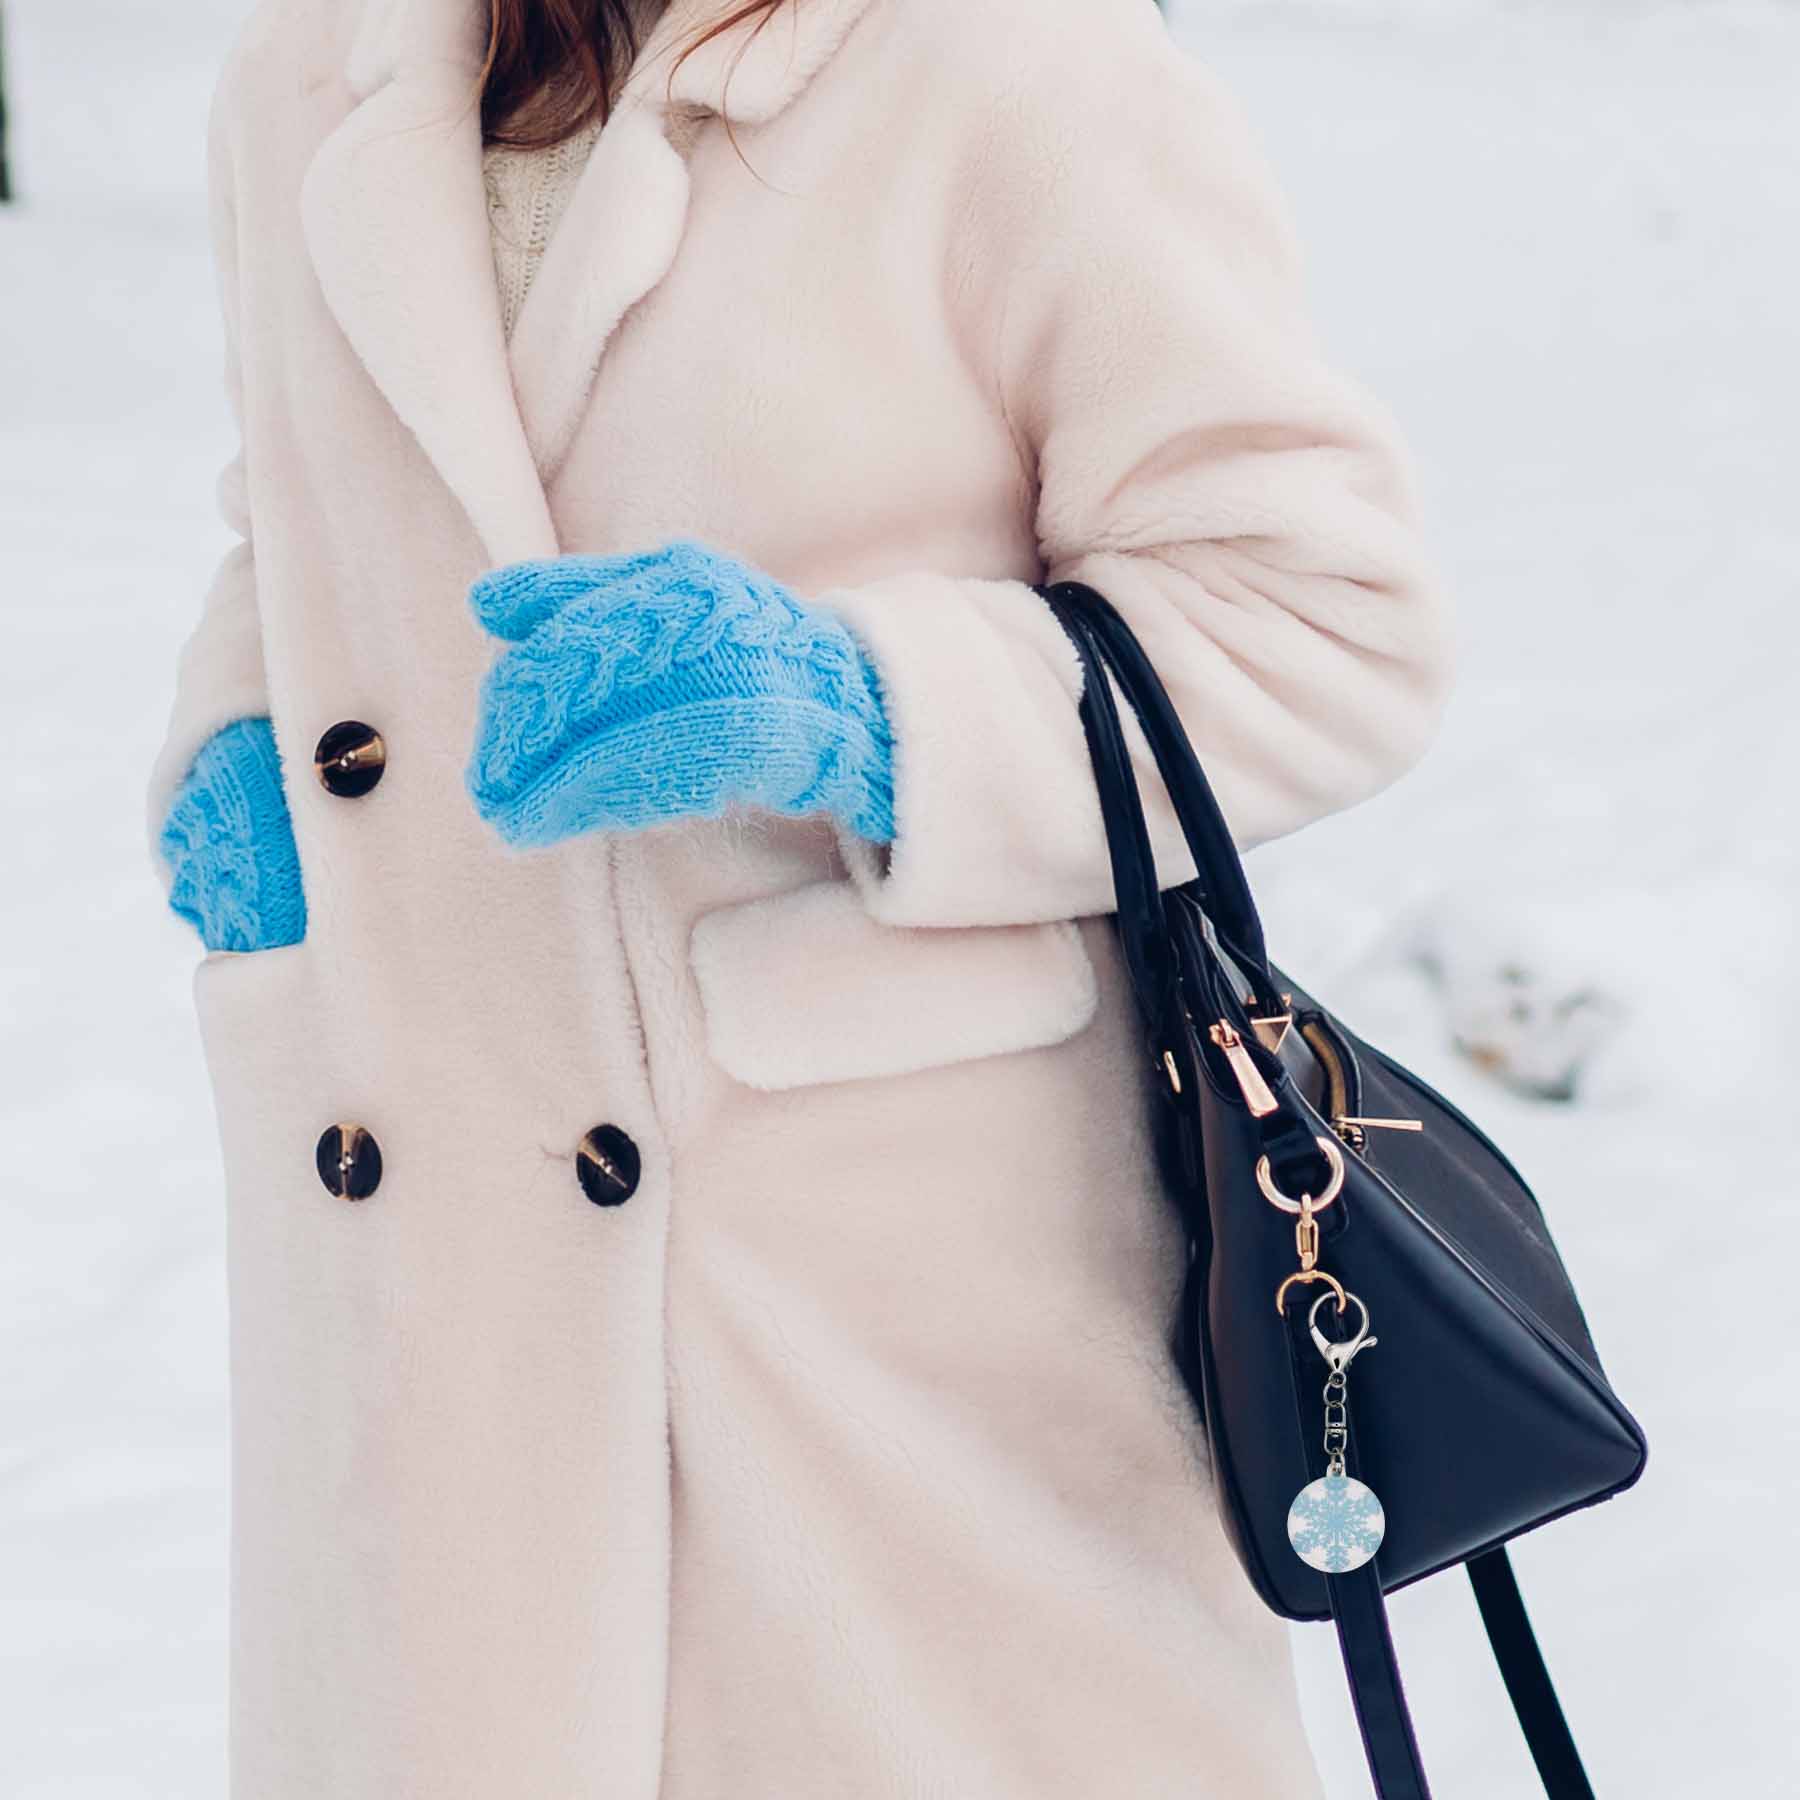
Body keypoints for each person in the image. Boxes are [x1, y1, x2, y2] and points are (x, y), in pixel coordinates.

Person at [147, 0, 1452, 1792]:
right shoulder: (297, 85)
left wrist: (863, 710)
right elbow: (288, 518)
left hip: (886, 1339)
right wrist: (242, 733)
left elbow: (1319, 618)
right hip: (426, 1287)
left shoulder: (1012, 66)